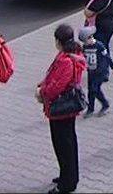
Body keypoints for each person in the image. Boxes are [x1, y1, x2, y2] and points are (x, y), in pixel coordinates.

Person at [35, 24, 86, 194]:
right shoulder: (70, 54)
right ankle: (66, 174)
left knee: (64, 146)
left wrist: (42, 92)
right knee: (66, 144)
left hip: (62, 108)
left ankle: (68, 182)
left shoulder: (66, 60)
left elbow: (56, 86)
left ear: (58, 41)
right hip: (64, 108)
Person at [78, 26, 113, 118]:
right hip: (91, 72)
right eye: (86, 40)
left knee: (95, 89)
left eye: (90, 38)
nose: (89, 41)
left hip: (100, 72)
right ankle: (91, 108)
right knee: (91, 91)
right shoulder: (85, 47)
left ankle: (104, 104)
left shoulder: (99, 46)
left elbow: (107, 57)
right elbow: (83, 57)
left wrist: (112, 67)